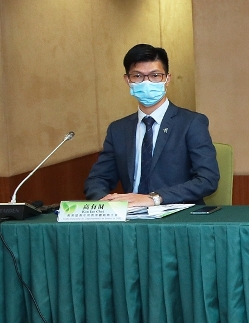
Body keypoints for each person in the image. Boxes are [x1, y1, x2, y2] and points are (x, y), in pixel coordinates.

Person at [84, 44, 219, 206]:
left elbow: (207, 179)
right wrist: (105, 202)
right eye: (138, 76)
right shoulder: (118, 129)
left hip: (177, 214)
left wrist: (154, 198)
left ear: (167, 79)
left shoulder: (191, 123)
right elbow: (98, 179)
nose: (146, 82)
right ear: (127, 80)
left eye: (155, 75)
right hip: (131, 215)